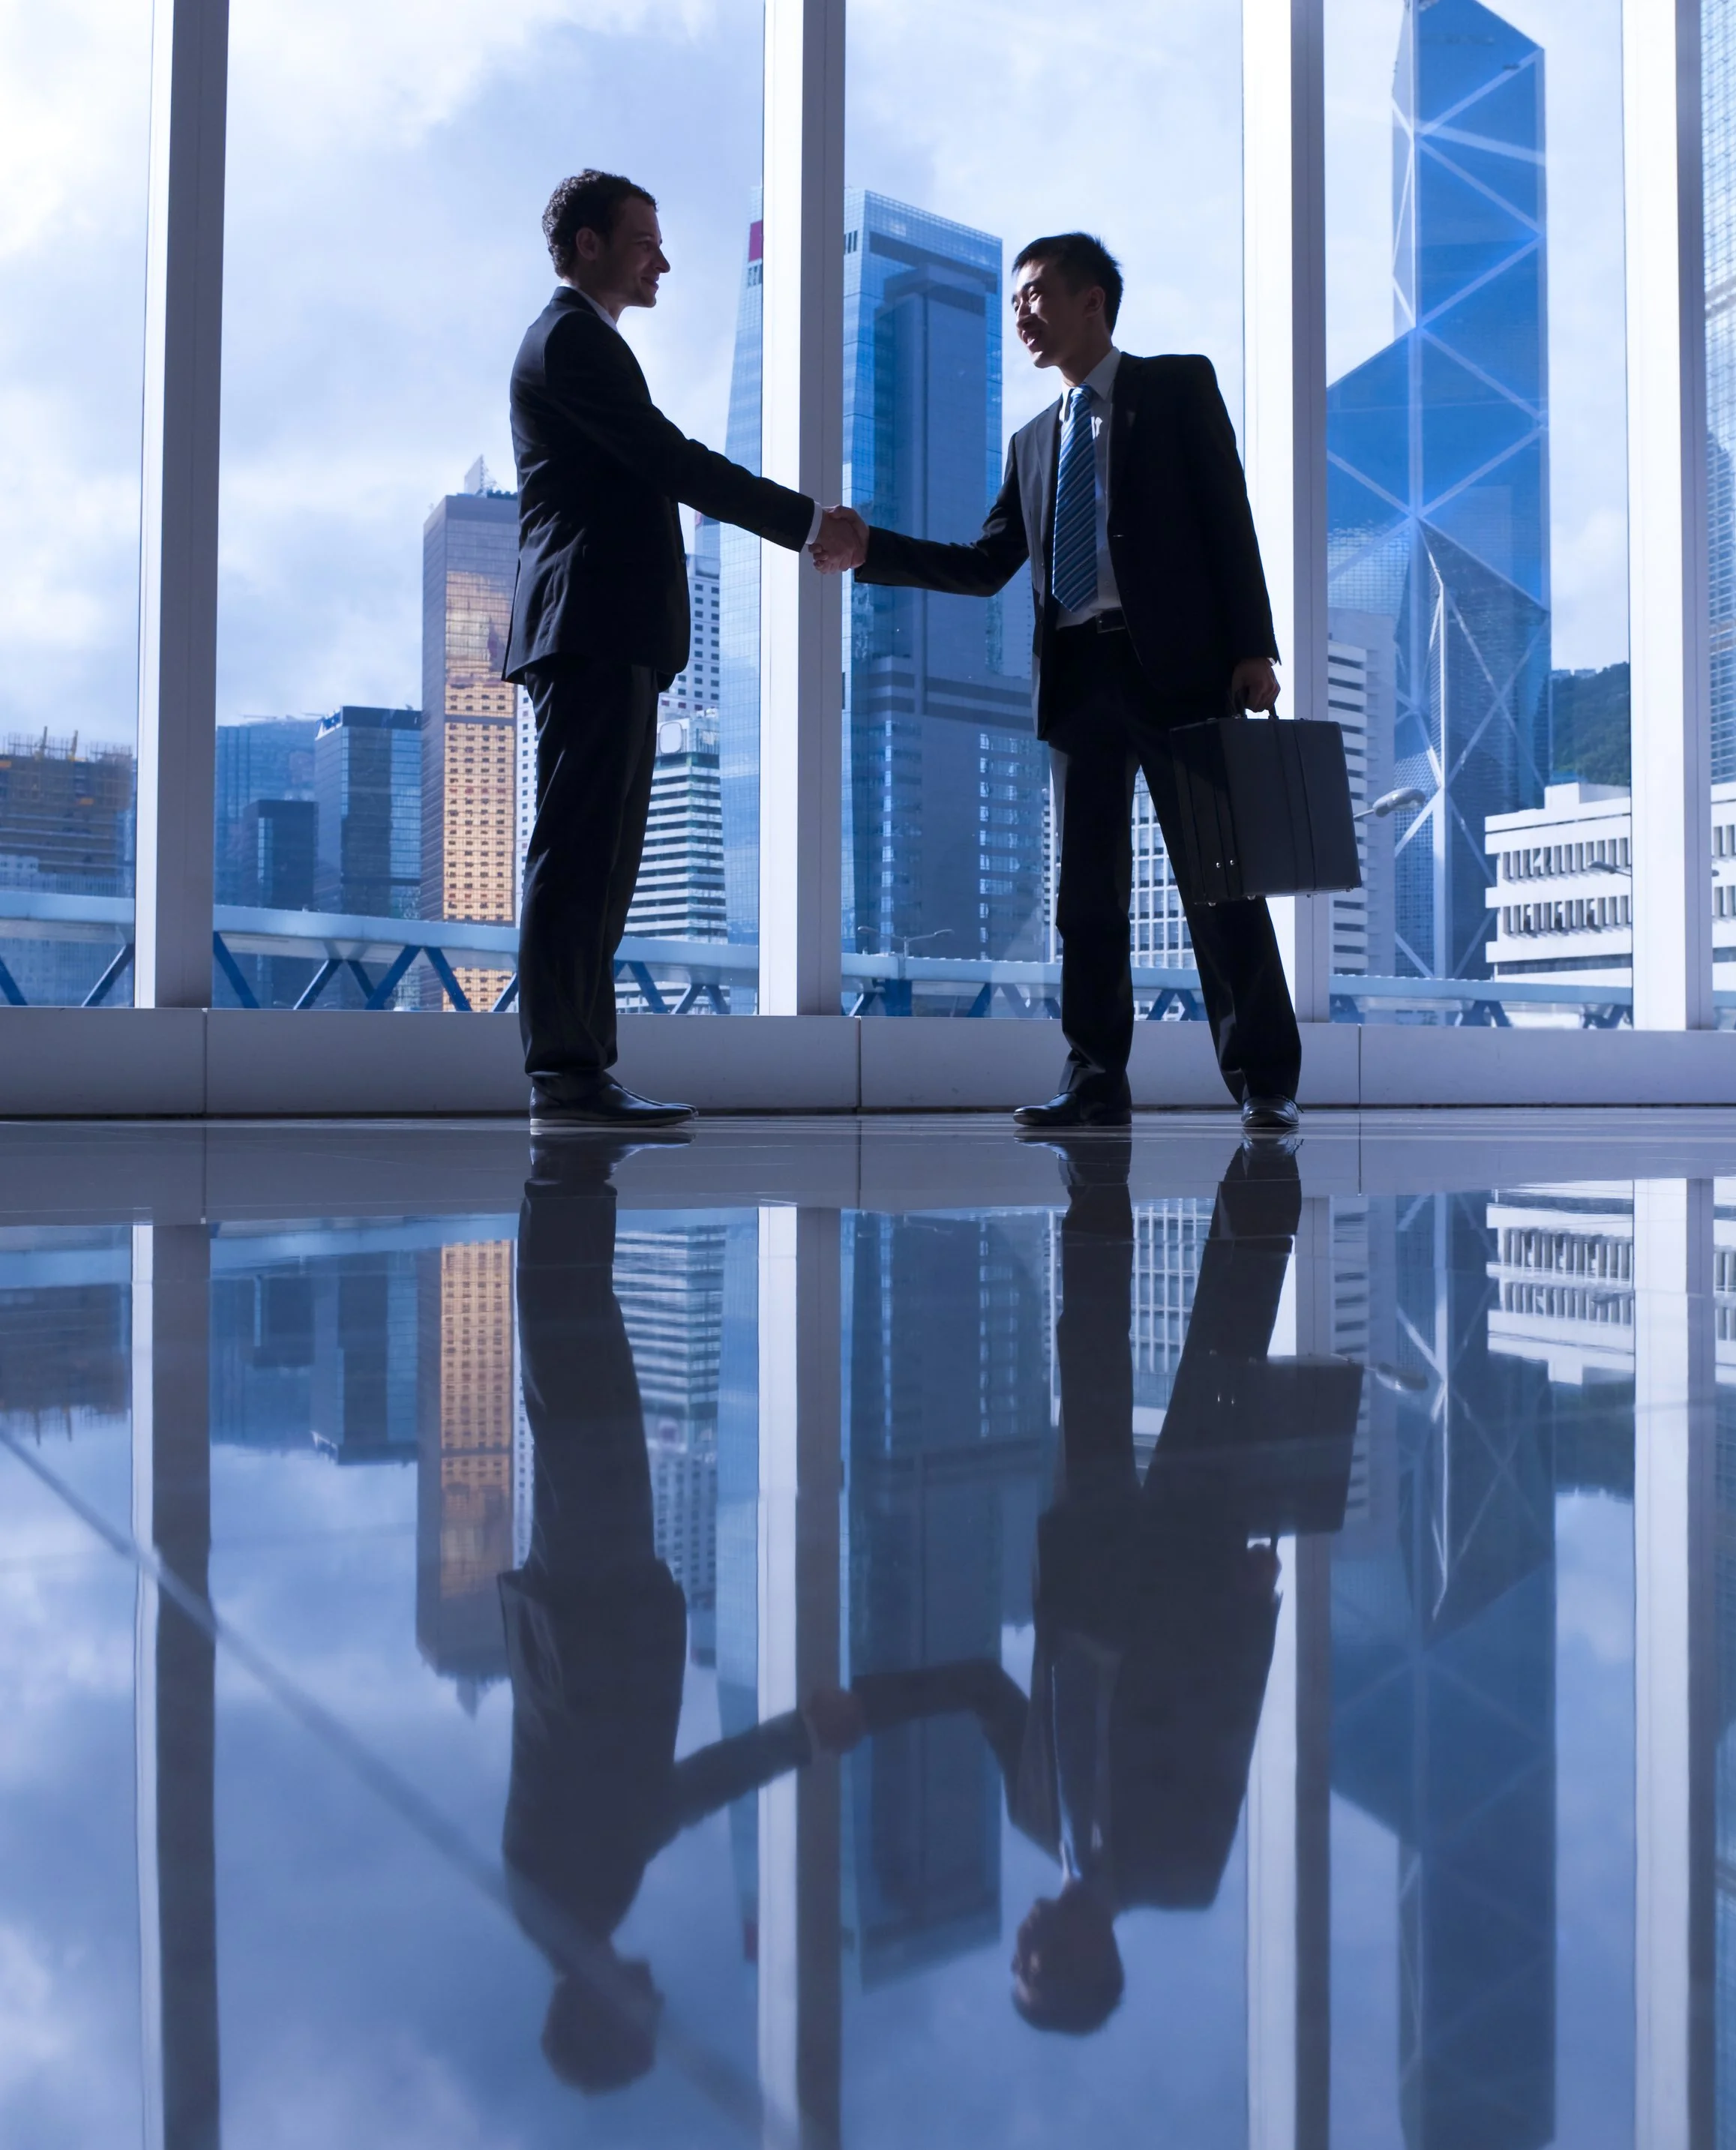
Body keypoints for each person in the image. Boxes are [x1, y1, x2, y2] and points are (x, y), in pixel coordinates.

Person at [848, 1134, 1358, 2035]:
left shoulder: (1030, 1817)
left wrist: (862, 1705)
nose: (1020, 1950)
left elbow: (982, 1689)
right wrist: (1254, 1607)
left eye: (1016, 1966)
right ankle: (1265, 1166)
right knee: (1219, 1351)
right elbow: (1225, 1742)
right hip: (1187, 1579)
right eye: (1034, 1971)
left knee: (1086, 1343)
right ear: (1093, 1967)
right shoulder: (1182, 1874)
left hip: (1087, 1560)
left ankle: (1095, 1166)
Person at [810, 232, 1300, 1134]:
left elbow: (1228, 516)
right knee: (1087, 896)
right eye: (1014, 301)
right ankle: (1093, 1080)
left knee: (1218, 883)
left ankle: (1264, 1079)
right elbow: (986, 560)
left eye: (1035, 293)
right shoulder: (1034, 441)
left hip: (1181, 673)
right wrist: (872, 549)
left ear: (1092, 302)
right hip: (1079, 682)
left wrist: (1253, 646)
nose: (1022, 314)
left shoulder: (1176, 387)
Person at [504, 170, 865, 1133]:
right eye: (642, 241)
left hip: (606, 631)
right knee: (579, 853)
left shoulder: (586, 342)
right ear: (587, 245)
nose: (661, 259)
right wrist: (804, 521)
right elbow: (671, 460)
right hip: (587, 627)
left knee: (603, 857)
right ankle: (564, 1072)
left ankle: (581, 1072)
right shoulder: (572, 340)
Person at [502, 1132, 864, 2092]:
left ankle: (562, 1170)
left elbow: (680, 1794)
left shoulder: (572, 1906)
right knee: (585, 1372)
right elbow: (669, 1799)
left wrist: (802, 1738)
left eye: (640, 2029)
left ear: (596, 2017)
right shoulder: (565, 1911)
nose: (659, 2006)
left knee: (574, 1379)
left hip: (591, 1600)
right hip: (587, 1600)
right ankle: (570, 1176)